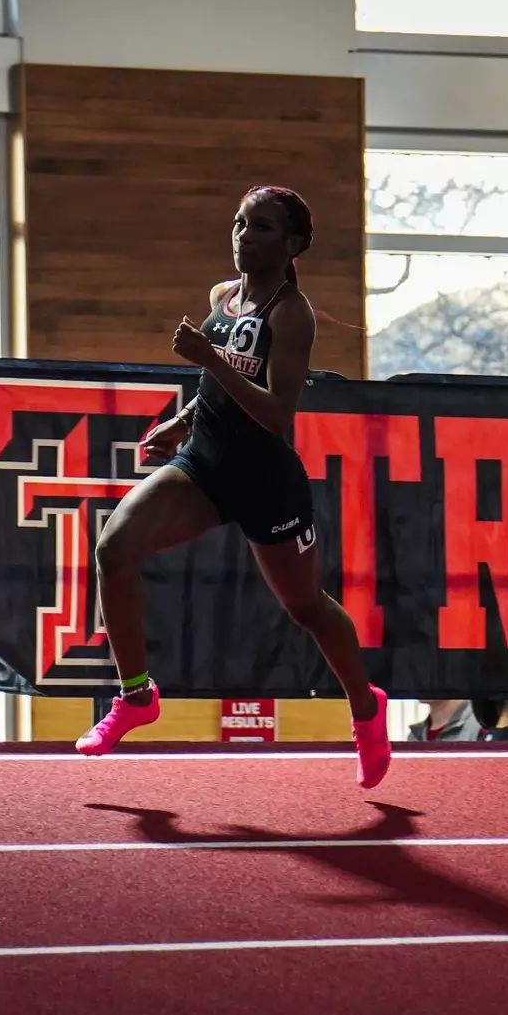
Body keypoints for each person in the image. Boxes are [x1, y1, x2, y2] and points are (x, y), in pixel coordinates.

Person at [80, 185, 391, 788]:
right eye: (241, 224)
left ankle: (366, 707)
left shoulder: (290, 314)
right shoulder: (223, 296)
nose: (245, 236)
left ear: (293, 244)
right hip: (204, 466)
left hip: (264, 481)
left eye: (263, 228)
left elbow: (276, 414)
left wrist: (208, 356)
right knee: (114, 550)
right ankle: (137, 696)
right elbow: (222, 385)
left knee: (307, 608)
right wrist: (185, 417)